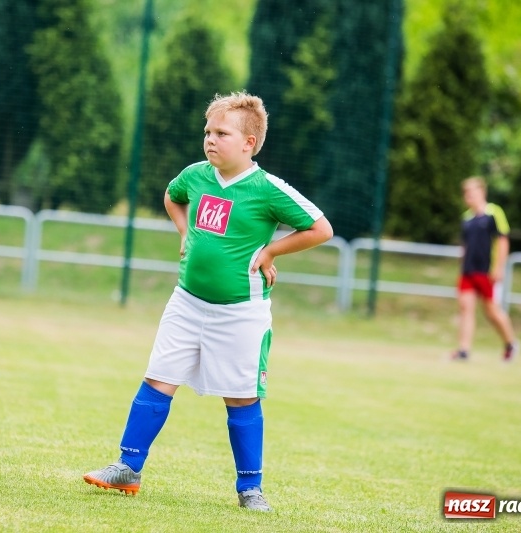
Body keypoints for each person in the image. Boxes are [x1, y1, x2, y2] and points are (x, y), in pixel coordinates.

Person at [83, 92, 333, 512]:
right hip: (186, 302)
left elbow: (320, 228)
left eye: (222, 133)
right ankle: (128, 468)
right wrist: (184, 232)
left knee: (240, 397)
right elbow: (171, 196)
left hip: (240, 314)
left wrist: (271, 252)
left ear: (249, 143)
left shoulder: (267, 189)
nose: (210, 140)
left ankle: (250, 489)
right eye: (207, 132)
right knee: (158, 378)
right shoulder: (196, 175)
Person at [452, 176, 520, 362]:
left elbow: (503, 241)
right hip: (468, 271)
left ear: (482, 192)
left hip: (486, 271)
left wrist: (499, 268)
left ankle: (510, 343)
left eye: (471, 192)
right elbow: (465, 246)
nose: (468, 196)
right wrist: (461, 266)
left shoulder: (494, 213)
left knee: (492, 312)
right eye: (466, 193)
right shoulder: (466, 218)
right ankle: (464, 350)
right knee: (466, 308)